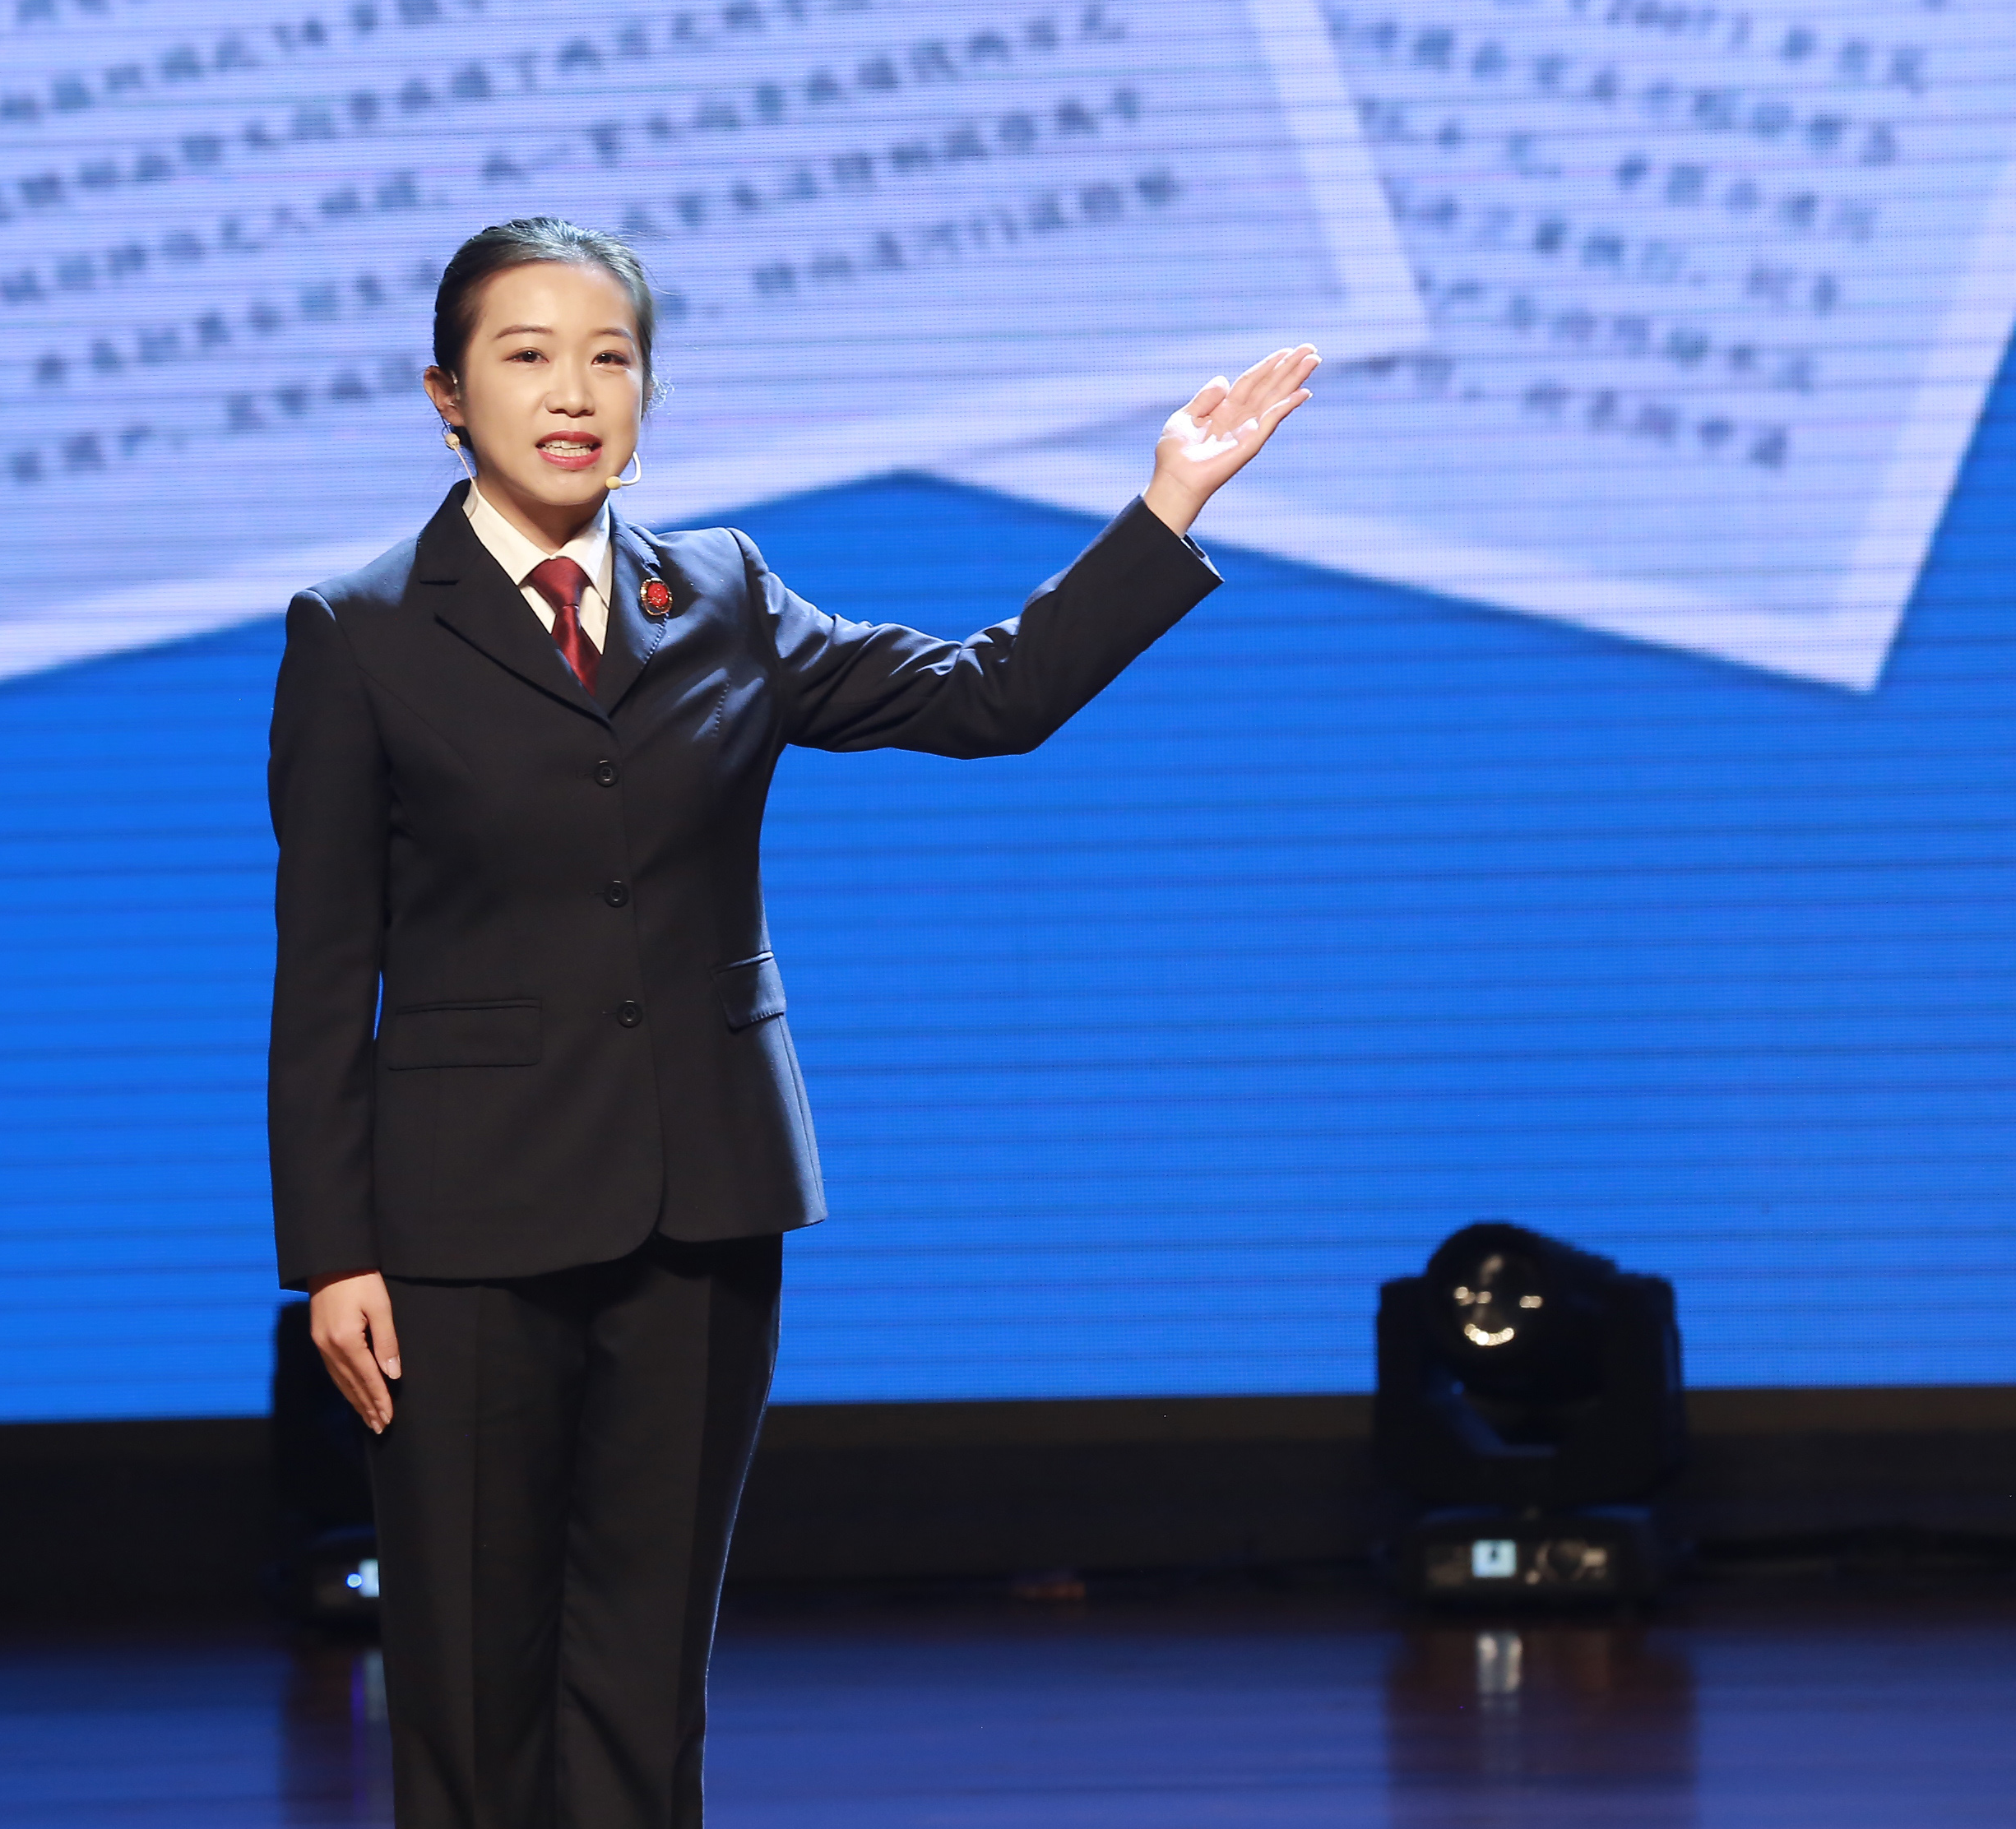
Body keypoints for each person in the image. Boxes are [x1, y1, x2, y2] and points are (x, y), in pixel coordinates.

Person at [268, 216, 1316, 1829]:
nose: (573, 393)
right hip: (462, 1235)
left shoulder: (723, 593)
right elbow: (327, 966)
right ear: (447, 395)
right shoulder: (361, 631)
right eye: (527, 357)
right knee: (472, 1686)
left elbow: (989, 696)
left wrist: (1166, 503)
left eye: (609, 357)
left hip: (703, 1209)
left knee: (643, 1677)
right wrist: (334, 1253)